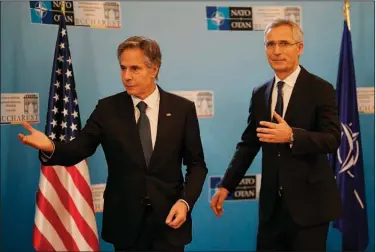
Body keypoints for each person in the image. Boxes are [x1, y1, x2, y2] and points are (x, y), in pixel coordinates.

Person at [19, 36, 208, 251]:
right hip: (125, 224)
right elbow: (77, 150)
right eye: (123, 68)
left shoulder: (182, 109)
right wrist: (50, 146)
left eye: (135, 69)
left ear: (153, 69)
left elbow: (197, 166)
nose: (126, 76)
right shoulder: (108, 109)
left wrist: (185, 203)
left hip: (169, 222)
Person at [210, 19, 343, 251]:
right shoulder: (260, 92)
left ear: (299, 48)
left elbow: (332, 139)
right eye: (270, 44)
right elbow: (249, 144)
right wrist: (226, 186)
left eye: (284, 43)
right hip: (272, 209)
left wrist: (292, 135)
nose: (276, 50)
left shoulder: (320, 89)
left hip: (309, 207)